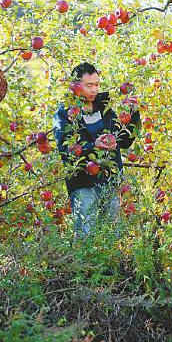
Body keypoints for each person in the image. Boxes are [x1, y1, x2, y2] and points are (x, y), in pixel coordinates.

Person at [53, 63, 140, 238]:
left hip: (110, 180)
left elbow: (126, 141)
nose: (94, 90)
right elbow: (65, 150)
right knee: (86, 236)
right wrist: (93, 146)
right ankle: (84, 266)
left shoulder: (104, 108)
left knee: (112, 236)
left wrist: (133, 112)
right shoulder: (64, 113)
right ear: (75, 86)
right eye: (89, 85)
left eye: (97, 84)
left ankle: (111, 266)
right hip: (83, 184)